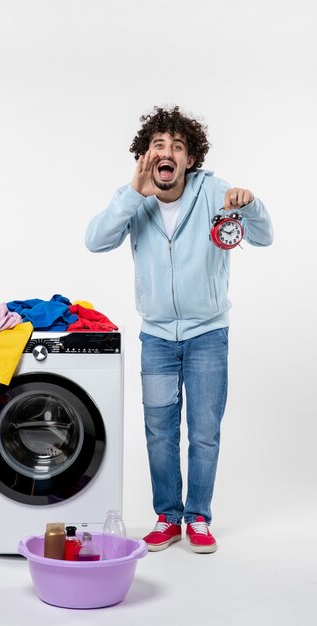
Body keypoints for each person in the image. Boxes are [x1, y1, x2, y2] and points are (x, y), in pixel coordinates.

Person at [85, 106, 273, 554]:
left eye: (178, 146)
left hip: (208, 333)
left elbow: (263, 236)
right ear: (146, 156)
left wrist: (253, 204)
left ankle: (200, 517)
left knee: (204, 430)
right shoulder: (135, 198)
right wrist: (134, 192)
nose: (167, 152)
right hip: (156, 338)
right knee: (160, 430)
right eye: (158, 145)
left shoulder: (216, 192)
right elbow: (96, 240)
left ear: (191, 158)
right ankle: (167, 517)